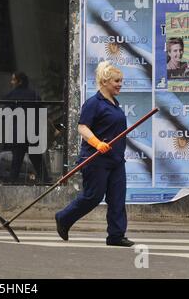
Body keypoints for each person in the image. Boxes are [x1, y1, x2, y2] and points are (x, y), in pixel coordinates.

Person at [55, 61, 134, 247]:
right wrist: (97, 143)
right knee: (93, 196)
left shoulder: (115, 103)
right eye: (117, 81)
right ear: (105, 82)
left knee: (117, 198)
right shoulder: (94, 103)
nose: (120, 84)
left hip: (116, 160)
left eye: (121, 80)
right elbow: (82, 127)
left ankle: (116, 236)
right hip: (95, 159)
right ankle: (63, 218)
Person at [3, 72, 50, 184]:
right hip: (32, 133)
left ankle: (11, 183)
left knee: (16, 162)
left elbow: (5, 115)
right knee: (37, 160)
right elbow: (42, 113)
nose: (11, 82)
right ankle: (46, 181)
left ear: (19, 81)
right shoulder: (34, 95)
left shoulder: (12, 96)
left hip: (18, 134)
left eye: (14, 80)